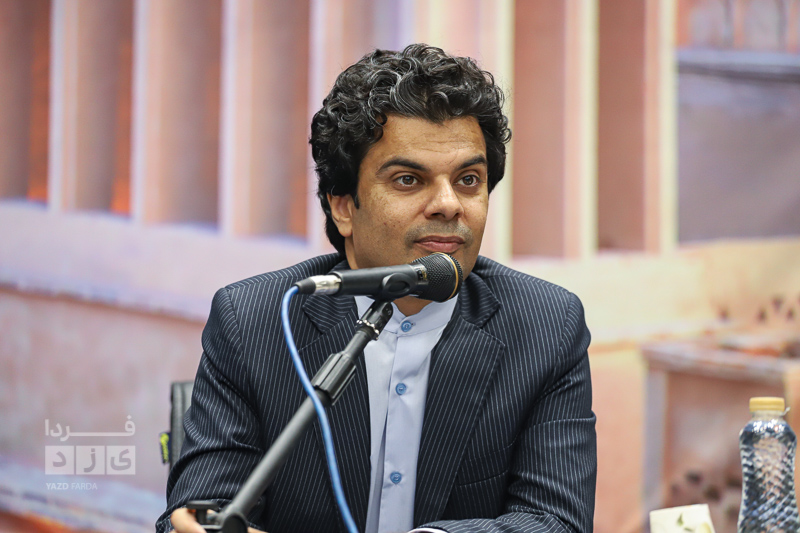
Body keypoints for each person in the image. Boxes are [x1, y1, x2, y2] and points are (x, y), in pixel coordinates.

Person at [157, 44, 596, 533]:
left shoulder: (546, 326)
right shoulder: (255, 320)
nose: (449, 204)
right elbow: (198, 514)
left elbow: (556, 522)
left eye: (468, 179)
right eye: (409, 179)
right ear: (343, 206)